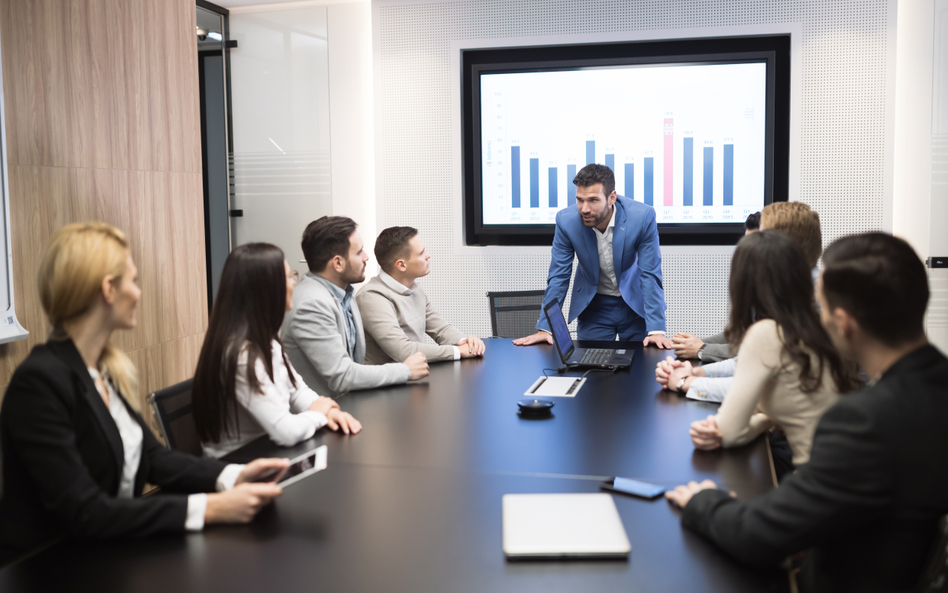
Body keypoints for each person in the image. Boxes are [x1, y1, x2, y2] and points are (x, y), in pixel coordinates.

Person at [666, 232, 948, 593]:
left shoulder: (864, 422)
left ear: (843, 323)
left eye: (823, 308)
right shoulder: (930, 390)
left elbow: (760, 536)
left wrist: (703, 500)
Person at [0, 223, 288, 566]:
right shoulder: (39, 382)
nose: (138, 292)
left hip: (105, 554)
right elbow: (84, 511)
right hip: (50, 569)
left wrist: (232, 475)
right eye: (132, 281)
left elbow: (153, 458)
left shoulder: (102, 370)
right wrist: (209, 508)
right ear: (108, 289)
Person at [665, 231, 861, 470]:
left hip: (817, 479)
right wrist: (762, 420)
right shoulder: (815, 323)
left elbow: (730, 431)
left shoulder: (768, 332)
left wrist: (683, 382)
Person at [193, 243, 362, 459]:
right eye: (288, 276)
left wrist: (329, 411)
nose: (294, 282)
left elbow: (297, 390)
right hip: (241, 466)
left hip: (268, 452)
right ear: (266, 290)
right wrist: (318, 414)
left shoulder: (265, 341)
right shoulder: (241, 355)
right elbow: (286, 432)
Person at [513, 164, 671, 347]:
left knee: (643, 366)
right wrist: (545, 328)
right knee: (591, 367)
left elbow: (650, 274)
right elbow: (558, 276)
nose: (584, 209)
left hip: (634, 303)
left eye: (593, 200)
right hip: (594, 306)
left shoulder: (642, 217)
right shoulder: (566, 221)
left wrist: (657, 330)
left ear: (612, 197)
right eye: (580, 200)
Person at [282, 216, 429, 397]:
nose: (367, 257)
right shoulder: (311, 305)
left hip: (349, 403)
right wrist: (405, 370)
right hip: (320, 415)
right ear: (338, 263)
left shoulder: (344, 293)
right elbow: (342, 375)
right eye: (359, 252)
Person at [670, 202, 823, 365]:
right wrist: (694, 345)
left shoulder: (814, 296)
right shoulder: (783, 283)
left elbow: (762, 352)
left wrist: (702, 350)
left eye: (759, 238)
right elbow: (743, 335)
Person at [356, 226, 485, 364]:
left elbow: (440, 329)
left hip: (415, 376)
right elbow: (404, 351)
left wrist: (464, 341)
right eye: (421, 253)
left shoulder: (414, 287)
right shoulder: (371, 297)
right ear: (401, 265)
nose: (428, 255)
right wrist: (458, 351)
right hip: (388, 383)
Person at [672, 210, 761, 363]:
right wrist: (693, 344)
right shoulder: (759, 283)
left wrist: (701, 349)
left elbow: (757, 352)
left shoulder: (784, 293)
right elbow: (737, 335)